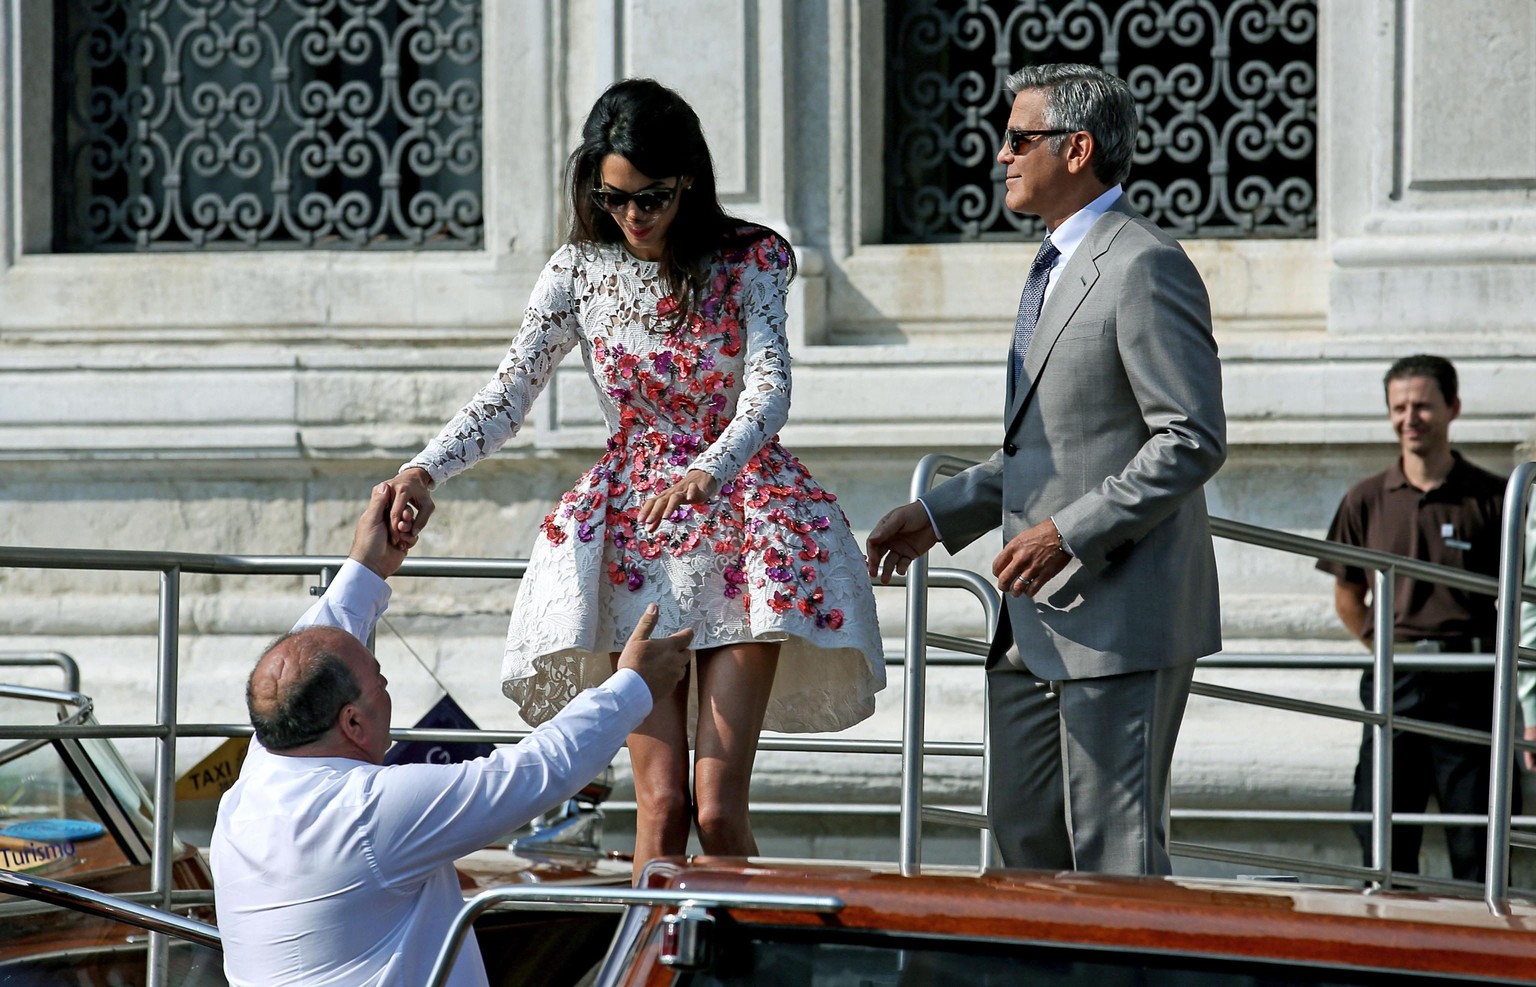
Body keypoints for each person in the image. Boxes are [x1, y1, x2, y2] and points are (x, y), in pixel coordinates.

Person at [380, 79, 884, 878]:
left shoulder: (753, 258)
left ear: (689, 180)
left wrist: (710, 469)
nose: (632, 216)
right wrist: (424, 468)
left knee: (718, 811)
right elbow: (510, 391)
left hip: (745, 525)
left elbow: (769, 386)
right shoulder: (577, 269)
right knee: (662, 807)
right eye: (612, 198)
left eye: (650, 197)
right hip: (639, 540)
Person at [865, 64, 1226, 875]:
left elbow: (1192, 437)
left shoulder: (1143, 265)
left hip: (1120, 617)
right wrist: (938, 514)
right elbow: (1043, 448)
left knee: (1113, 862)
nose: (1000, 156)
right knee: (1023, 846)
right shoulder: (1051, 265)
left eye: (1018, 138)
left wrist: (1072, 531)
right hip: (1028, 622)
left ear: (1078, 149)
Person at [210, 484, 694, 986]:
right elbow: (535, 773)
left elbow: (314, 648)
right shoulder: (368, 813)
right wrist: (634, 686)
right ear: (352, 723)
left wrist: (366, 566)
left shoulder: (259, 776)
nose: (385, 687)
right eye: (381, 682)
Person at [1317, 354, 1514, 882]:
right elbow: (1347, 596)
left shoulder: (1497, 500)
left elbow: (1522, 602)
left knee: (1479, 842)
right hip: (1393, 681)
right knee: (1381, 838)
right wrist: (1385, 647)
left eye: (1423, 406)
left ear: (1453, 408)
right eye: (1399, 407)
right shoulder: (1365, 499)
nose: (1411, 418)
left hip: (1472, 686)